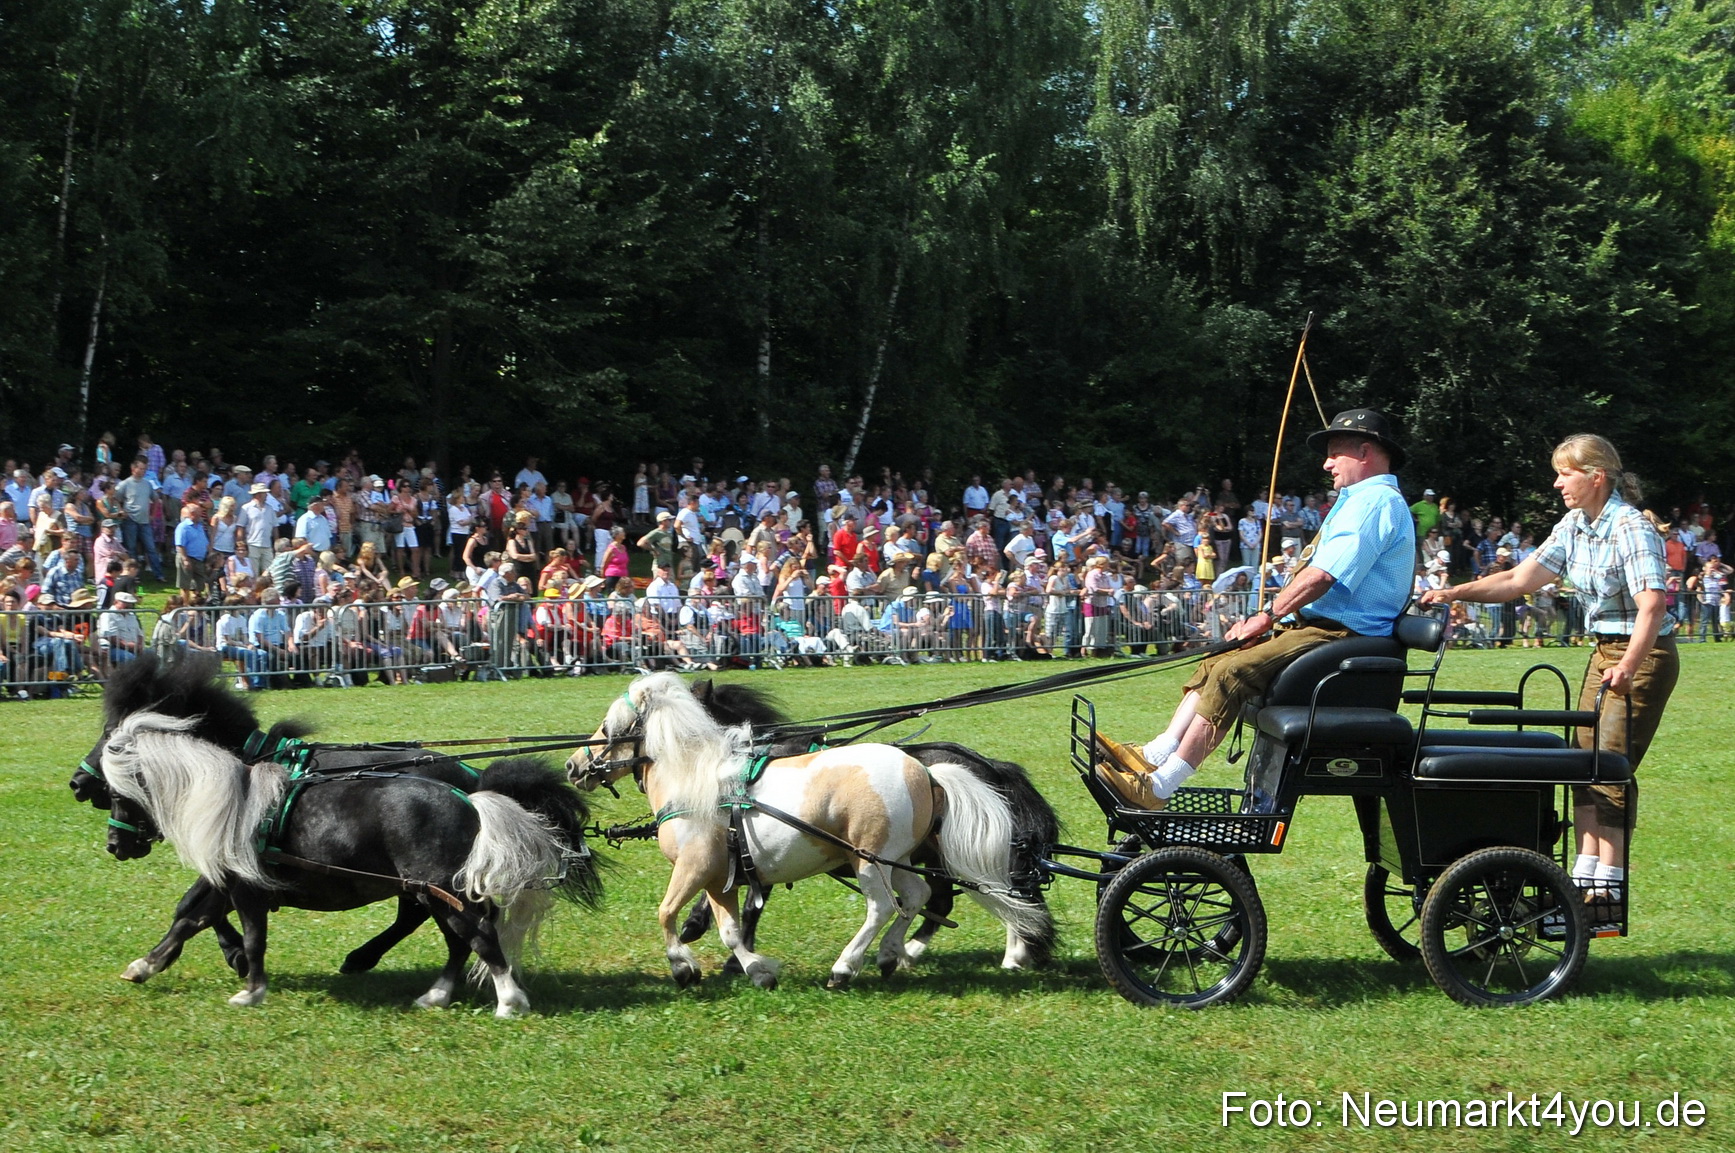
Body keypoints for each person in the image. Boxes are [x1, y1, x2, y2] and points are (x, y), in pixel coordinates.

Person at [1094, 409, 1416, 810]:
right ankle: (1156, 754)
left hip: (1344, 635)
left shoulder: (1375, 503)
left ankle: (1159, 788)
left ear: (1365, 451)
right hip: (1324, 628)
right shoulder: (1362, 501)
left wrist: (1267, 615)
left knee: (1233, 671)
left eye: (1335, 453)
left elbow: (1323, 575)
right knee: (1218, 660)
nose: (1326, 463)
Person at [1420, 434, 1678, 912]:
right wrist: (1455, 592)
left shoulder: (1629, 527)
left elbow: (1653, 606)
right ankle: (1580, 877)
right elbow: (1518, 580)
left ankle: (1609, 885)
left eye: (1565, 474)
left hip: (1642, 655)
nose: (1557, 483)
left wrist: (1628, 665)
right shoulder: (1575, 524)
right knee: (1582, 762)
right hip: (1605, 653)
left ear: (1595, 476)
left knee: (1610, 766)